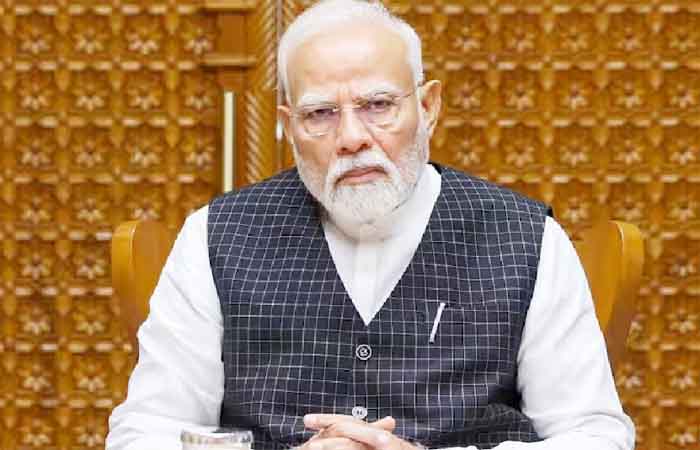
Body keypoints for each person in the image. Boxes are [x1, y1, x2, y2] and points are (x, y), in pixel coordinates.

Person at [106, 0, 635, 449]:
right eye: (320, 114)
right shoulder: (214, 236)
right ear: (288, 126)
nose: (352, 138)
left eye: (378, 105)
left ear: (428, 107)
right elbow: (146, 432)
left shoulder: (525, 239)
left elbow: (593, 435)